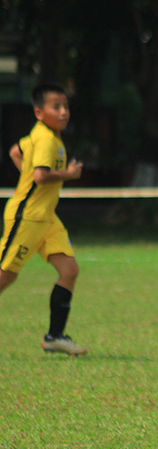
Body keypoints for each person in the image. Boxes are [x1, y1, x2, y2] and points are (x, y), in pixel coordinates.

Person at [1, 82, 86, 356]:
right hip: (28, 217)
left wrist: (27, 176)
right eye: (56, 107)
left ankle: (54, 337)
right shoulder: (47, 139)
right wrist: (69, 175)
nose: (63, 112)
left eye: (65, 107)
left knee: (69, 270)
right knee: (5, 276)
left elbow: (16, 151)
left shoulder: (45, 134)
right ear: (39, 112)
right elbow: (40, 176)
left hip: (47, 218)